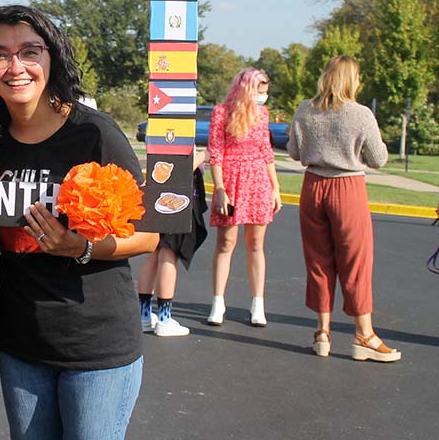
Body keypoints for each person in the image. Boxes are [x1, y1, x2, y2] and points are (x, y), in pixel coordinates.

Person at [0, 4, 159, 440]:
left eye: (29, 52)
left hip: (96, 345)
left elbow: (148, 236)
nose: (16, 66)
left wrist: (78, 247)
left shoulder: (94, 134)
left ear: (51, 58)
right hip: (21, 342)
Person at [288, 56, 400, 362]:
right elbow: (378, 159)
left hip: (312, 186)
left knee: (318, 260)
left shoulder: (304, 109)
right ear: (351, 80)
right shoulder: (360, 113)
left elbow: (295, 152)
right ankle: (364, 335)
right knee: (355, 260)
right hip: (347, 188)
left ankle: (322, 332)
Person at [206, 68, 282, 326]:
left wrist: (275, 187)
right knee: (226, 243)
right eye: (261, 90)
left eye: (266, 90)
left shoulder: (262, 113)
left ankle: (257, 303)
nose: (264, 96)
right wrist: (219, 188)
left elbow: (267, 152)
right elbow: (215, 153)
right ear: (248, 88)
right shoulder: (221, 112)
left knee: (256, 244)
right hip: (230, 180)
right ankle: (218, 302)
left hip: (258, 179)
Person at [138, 149, 209, 337]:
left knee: (154, 253)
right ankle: (164, 317)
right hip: (177, 196)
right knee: (168, 254)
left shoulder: (158, 132)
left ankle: (143, 314)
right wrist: (202, 156)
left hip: (158, 193)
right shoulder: (179, 130)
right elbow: (181, 169)